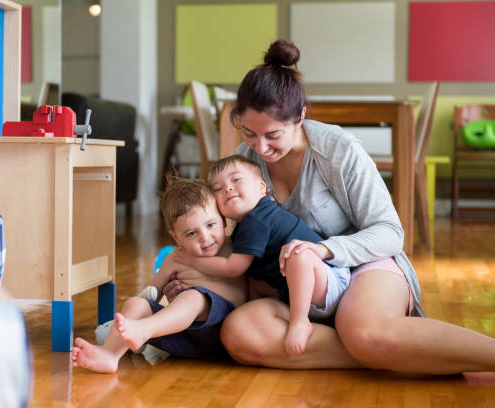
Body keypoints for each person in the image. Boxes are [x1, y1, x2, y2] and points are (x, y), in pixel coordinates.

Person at [164, 39, 495, 374]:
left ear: (300, 117)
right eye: (249, 133)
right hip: (296, 288)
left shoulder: (337, 151)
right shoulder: (243, 167)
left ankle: (383, 344)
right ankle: (387, 352)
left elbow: (390, 233)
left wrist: (323, 251)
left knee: (365, 332)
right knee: (240, 334)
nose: (260, 147)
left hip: (365, 265)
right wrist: (194, 275)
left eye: (273, 135)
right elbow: (225, 239)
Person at [174, 155, 350, 355]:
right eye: (217, 188)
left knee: (299, 255)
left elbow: (233, 268)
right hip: (304, 289)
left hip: (329, 280)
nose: (227, 188)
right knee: (254, 281)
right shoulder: (247, 224)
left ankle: (300, 322)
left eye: (236, 179)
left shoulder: (258, 218)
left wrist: (192, 261)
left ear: (262, 188)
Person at [71, 177, 246, 373]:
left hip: (221, 333)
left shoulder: (236, 250)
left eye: (210, 225)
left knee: (193, 296)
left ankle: (142, 330)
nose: (205, 238)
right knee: (135, 303)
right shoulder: (174, 259)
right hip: (182, 337)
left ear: (223, 220)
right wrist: (141, 305)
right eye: (191, 234)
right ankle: (110, 354)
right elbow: (151, 292)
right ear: (176, 237)